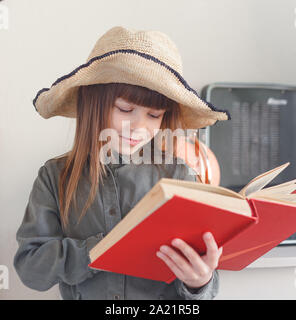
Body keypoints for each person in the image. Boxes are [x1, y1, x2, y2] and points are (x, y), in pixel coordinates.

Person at [13, 26, 231, 300]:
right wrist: (103, 248)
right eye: (125, 109)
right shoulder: (54, 177)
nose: (139, 127)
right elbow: (31, 269)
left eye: (154, 115)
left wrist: (200, 282)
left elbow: (200, 285)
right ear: (94, 103)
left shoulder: (181, 176)